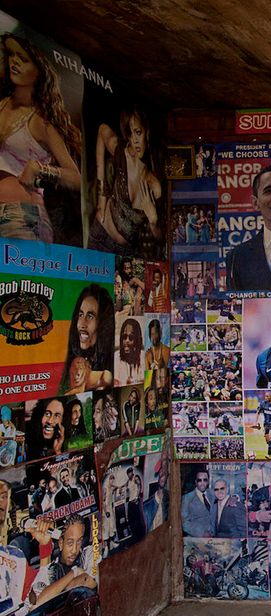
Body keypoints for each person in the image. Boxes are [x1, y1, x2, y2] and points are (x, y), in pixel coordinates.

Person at [0, 34, 82, 244]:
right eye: (12, 55)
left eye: (23, 59)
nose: (14, 62)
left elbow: (76, 178)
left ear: (39, 72)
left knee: (18, 279)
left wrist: (40, 168)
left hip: (19, 218)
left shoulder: (40, 123)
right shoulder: (1, 105)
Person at [91, 105, 162, 256]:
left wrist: (153, 221)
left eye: (138, 132)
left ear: (147, 133)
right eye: (130, 134)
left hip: (125, 253)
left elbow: (161, 240)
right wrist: (102, 196)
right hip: (100, 237)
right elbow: (102, 130)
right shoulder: (121, 153)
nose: (135, 140)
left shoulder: (154, 185)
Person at [59, 285, 114, 394]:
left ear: (103, 323)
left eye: (90, 316)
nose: (81, 324)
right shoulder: (72, 361)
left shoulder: (107, 370)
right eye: (80, 315)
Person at [181, 469, 214, 537]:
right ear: (196, 482)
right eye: (199, 480)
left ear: (208, 481)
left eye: (205, 480)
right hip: (196, 540)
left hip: (214, 538)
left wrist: (233, 499)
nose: (202, 483)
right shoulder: (187, 498)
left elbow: (224, 496)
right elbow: (184, 522)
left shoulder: (213, 494)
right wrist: (201, 533)